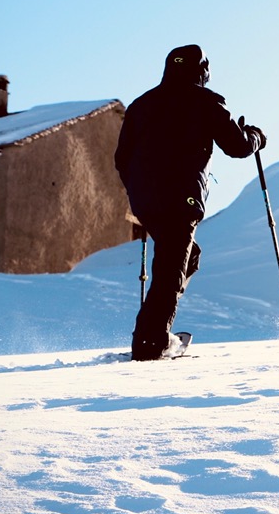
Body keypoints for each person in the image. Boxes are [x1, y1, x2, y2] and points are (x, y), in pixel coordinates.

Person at [114, 44, 266, 361]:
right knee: (171, 269)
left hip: (146, 201)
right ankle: (150, 343)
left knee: (185, 259)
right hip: (180, 199)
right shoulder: (205, 102)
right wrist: (255, 136)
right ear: (202, 71)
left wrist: (139, 191)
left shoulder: (141, 105)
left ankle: (151, 332)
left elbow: (121, 158)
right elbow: (237, 146)